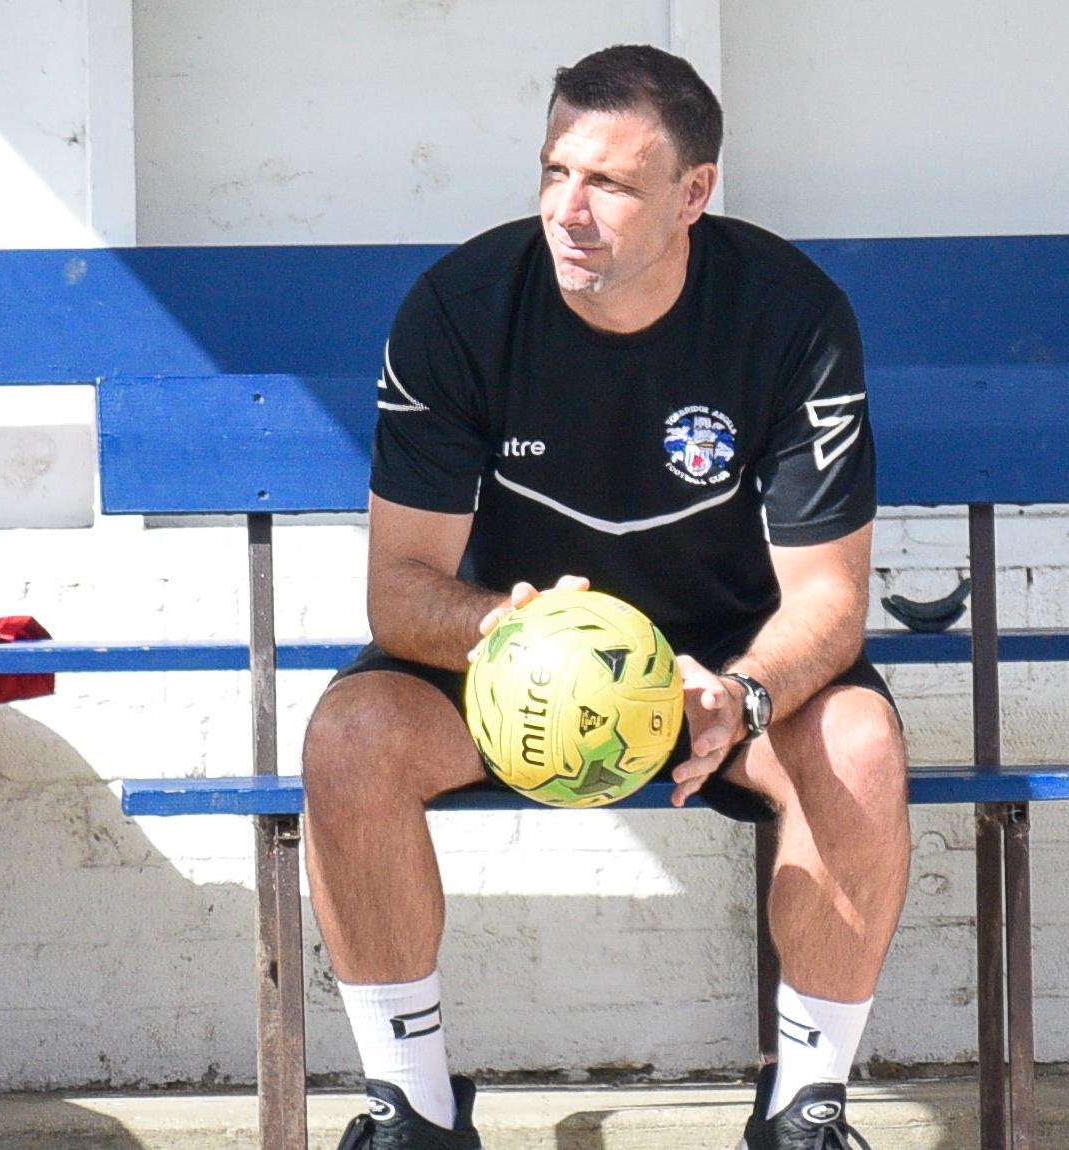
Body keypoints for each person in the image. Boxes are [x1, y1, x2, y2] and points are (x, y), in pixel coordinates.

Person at [304, 43, 910, 1150]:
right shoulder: (459, 310)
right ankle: (414, 1110)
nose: (567, 211)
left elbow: (828, 597)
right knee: (350, 740)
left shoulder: (790, 316)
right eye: (552, 171)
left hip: (720, 672)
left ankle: (804, 1112)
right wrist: (515, 630)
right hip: (514, 667)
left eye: (610, 185)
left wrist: (742, 695)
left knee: (860, 743)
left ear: (692, 193)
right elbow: (401, 590)